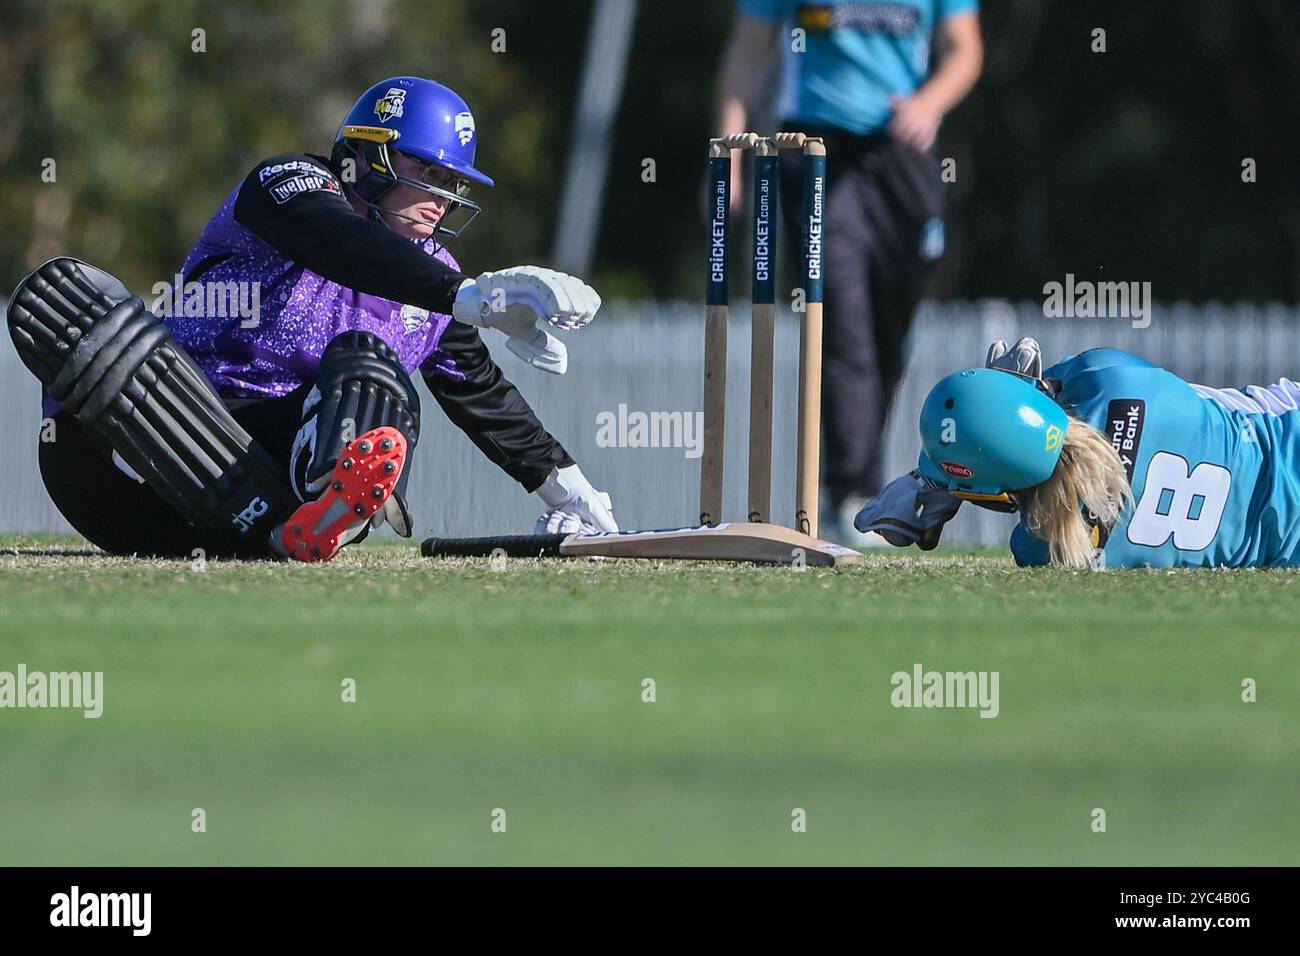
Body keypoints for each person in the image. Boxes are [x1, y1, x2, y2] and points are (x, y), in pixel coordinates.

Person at [6, 76, 617, 562]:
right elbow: (339, 244)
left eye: (453, 181)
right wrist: (469, 295)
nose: (443, 196)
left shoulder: (437, 277)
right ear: (370, 158)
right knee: (76, 303)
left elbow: (483, 397)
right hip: (143, 456)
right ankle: (285, 508)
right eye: (428, 172)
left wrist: (570, 491)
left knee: (372, 369)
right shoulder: (287, 185)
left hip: (278, 492)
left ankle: (318, 504)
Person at [716, 0, 983, 542]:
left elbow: (964, 51)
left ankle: (862, 479)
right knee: (842, 325)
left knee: (888, 334)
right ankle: (851, 491)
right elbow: (747, 55)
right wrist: (730, 158)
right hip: (814, 149)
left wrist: (929, 103)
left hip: (903, 153)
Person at [856, 336, 1300, 568]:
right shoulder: (1108, 378)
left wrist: (946, 484)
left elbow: (1031, 480)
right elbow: (1049, 407)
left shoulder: (1043, 547)